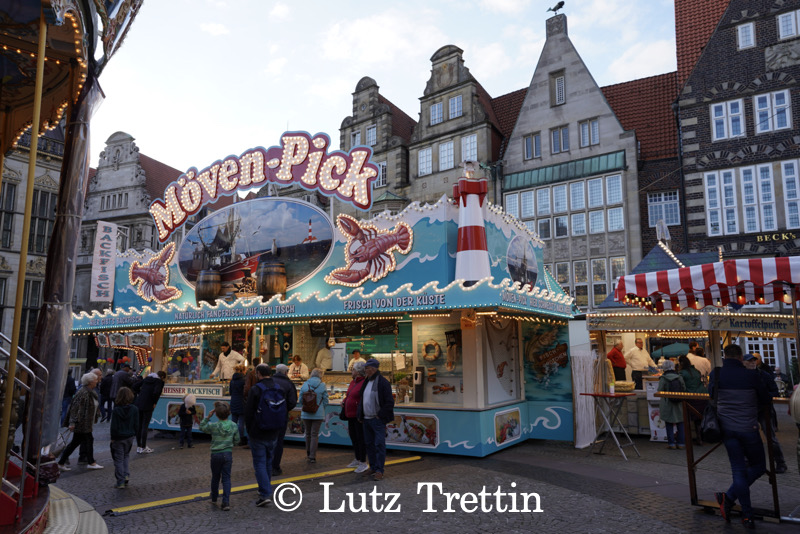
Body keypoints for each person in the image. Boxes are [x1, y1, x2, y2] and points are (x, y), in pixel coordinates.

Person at [711, 344, 770, 529]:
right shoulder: (751, 375)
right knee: (759, 466)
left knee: (738, 470)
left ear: (725, 356)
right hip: (748, 428)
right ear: (739, 358)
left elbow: (711, 396)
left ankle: (745, 514)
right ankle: (729, 499)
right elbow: (766, 399)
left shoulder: (717, 374)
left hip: (727, 429)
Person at [743, 353, 788, 474]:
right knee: (748, 436)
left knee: (771, 438)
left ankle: (780, 462)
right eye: (749, 361)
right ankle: (748, 461)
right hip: (750, 410)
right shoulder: (742, 376)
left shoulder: (765, 375)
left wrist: (764, 397)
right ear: (743, 363)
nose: (752, 363)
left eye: (754, 361)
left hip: (764, 409)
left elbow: (774, 392)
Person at [244, 363, 281, 507]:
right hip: (274, 430)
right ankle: (265, 488)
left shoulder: (256, 389)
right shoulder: (278, 387)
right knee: (268, 460)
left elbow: (248, 411)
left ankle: (265, 493)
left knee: (259, 462)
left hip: (258, 431)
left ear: (258, 373)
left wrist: (249, 429)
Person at [357, 358, 394, 481]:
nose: (365, 371)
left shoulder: (383, 383)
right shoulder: (366, 382)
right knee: (369, 444)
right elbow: (362, 399)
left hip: (377, 419)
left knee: (379, 444)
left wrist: (380, 415)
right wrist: (361, 415)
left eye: (367, 368)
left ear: (373, 369)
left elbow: (389, 402)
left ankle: (379, 470)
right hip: (366, 419)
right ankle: (372, 466)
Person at [58, 372, 103, 471]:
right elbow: (76, 409)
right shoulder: (83, 392)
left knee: (75, 443)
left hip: (86, 423)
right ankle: (91, 462)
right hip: (82, 423)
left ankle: (61, 462)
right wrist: (73, 422)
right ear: (90, 382)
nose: (97, 381)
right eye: (95, 380)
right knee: (87, 441)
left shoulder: (90, 392)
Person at [199, 401, 240, 511]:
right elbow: (237, 440)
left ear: (216, 414)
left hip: (216, 455)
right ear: (229, 413)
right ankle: (226, 502)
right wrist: (230, 444)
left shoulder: (214, 426)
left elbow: (201, 427)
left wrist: (208, 417)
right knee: (226, 478)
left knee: (215, 477)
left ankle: (214, 497)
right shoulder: (234, 425)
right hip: (227, 454)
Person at [342, 360, 369, 473]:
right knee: (354, 437)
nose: (351, 371)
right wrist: (345, 401)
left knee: (360, 438)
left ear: (358, 372)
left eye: (353, 369)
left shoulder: (363, 383)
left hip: (358, 415)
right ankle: (357, 458)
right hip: (350, 415)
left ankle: (363, 461)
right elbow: (349, 395)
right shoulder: (353, 382)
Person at [270, 363, 297, 475]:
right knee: (279, 441)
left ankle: (265, 464)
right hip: (281, 416)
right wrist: (284, 409)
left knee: (268, 439)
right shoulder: (289, 384)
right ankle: (275, 467)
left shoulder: (268, 381)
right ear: (286, 372)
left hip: (267, 416)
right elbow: (292, 402)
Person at [109, 387, 138, 488]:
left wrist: (112, 438)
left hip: (118, 437)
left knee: (119, 459)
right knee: (126, 456)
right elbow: (137, 424)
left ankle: (120, 481)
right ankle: (126, 475)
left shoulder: (116, 410)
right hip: (129, 436)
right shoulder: (134, 409)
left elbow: (114, 426)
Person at [299, 368, 329, 463]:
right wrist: (320, 409)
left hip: (306, 413)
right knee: (314, 434)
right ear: (320, 375)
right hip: (318, 414)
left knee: (307, 434)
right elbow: (326, 401)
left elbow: (300, 400)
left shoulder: (305, 384)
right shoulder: (322, 385)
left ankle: (308, 453)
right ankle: (312, 456)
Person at [134, 370, 165, 454]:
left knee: (139, 425)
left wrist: (141, 394)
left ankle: (139, 447)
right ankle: (143, 446)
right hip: (148, 404)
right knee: (145, 425)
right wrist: (154, 402)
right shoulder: (159, 382)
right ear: (162, 377)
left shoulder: (146, 379)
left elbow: (135, 386)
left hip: (139, 403)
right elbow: (156, 392)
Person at [679, 354, 707, 445]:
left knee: (689, 419)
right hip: (701, 395)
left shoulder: (682, 373)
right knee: (699, 419)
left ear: (681, 363)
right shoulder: (696, 371)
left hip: (691, 397)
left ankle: (689, 439)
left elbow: (681, 385)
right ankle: (701, 438)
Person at [657, 360, 685, 450]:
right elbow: (684, 388)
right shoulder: (679, 377)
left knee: (669, 423)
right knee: (680, 422)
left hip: (667, 403)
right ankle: (681, 443)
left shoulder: (663, 378)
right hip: (679, 403)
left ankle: (671, 443)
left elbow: (659, 390)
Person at [229, 365, 247, 446]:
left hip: (233, 401)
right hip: (241, 402)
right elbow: (245, 392)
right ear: (243, 371)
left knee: (233, 422)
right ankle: (241, 439)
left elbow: (230, 392)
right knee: (241, 423)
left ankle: (232, 438)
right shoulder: (243, 380)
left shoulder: (232, 381)